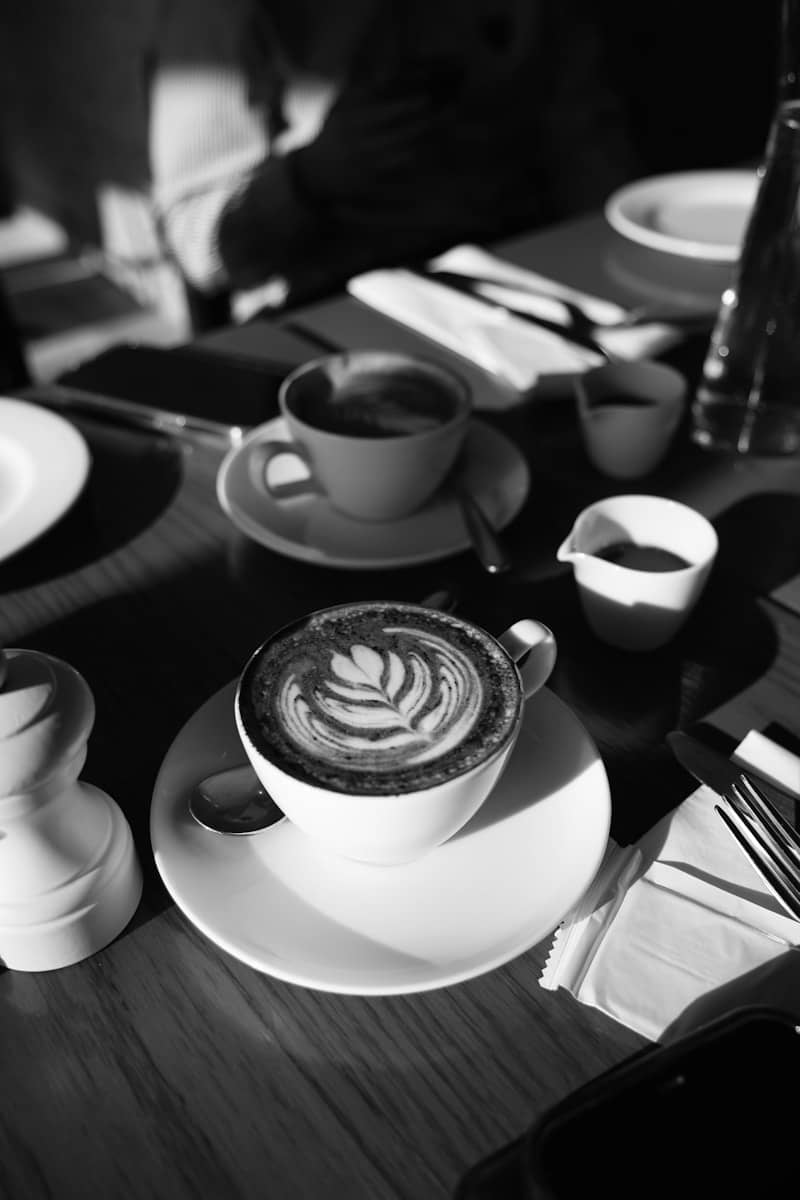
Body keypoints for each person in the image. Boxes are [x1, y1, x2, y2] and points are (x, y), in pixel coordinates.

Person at [148, 0, 640, 318]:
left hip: (515, 281)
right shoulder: (218, 17)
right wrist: (312, 176)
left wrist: (621, 282)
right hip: (328, 307)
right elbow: (197, 245)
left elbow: (585, 137)